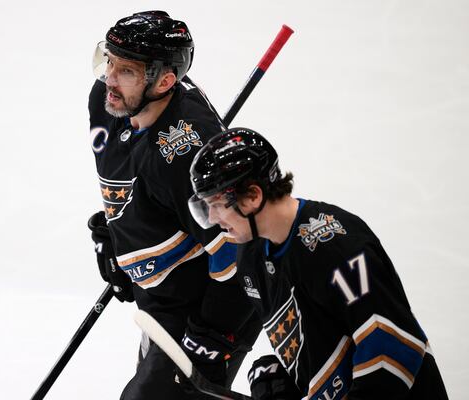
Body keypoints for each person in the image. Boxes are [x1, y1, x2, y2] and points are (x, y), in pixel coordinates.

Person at [188, 127, 448, 400]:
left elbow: (392, 347)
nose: (214, 219)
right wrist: (282, 379)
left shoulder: (337, 247)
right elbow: (318, 340)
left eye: (216, 204)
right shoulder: (250, 259)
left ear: (253, 196)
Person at [86, 11, 261, 399]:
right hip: (163, 299)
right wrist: (117, 234)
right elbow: (133, 179)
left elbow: (239, 249)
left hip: (210, 307)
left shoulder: (188, 155)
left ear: (165, 81)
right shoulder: (109, 100)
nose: (109, 79)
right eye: (108, 61)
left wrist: (211, 335)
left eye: (125, 71)